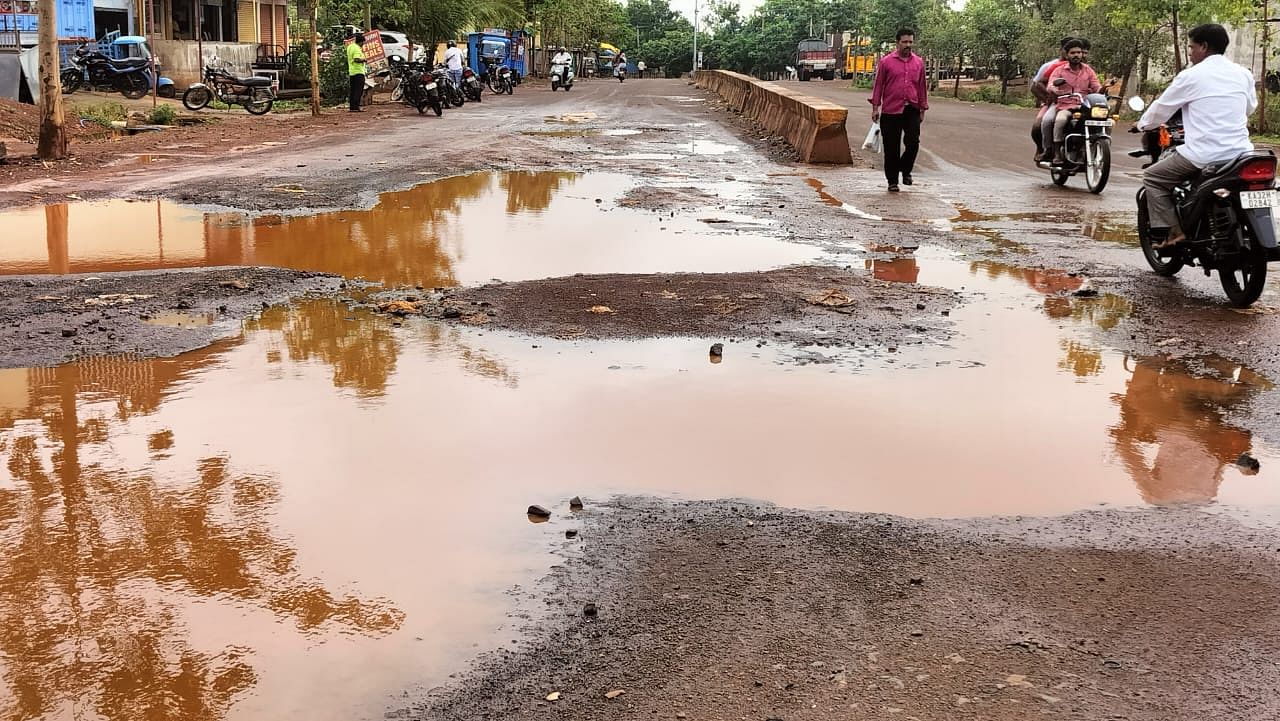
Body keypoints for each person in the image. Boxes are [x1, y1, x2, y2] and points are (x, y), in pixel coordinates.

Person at [1137, 23, 1256, 248]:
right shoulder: (1243, 74)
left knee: (1153, 177)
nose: (1190, 53)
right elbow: (1249, 108)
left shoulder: (1191, 76)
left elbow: (1162, 108)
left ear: (1204, 46)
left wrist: (1143, 124)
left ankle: (1173, 234)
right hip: (1241, 153)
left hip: (1204, 154)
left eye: (1191, 48)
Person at [869, 28, 928, 192]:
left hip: (912, 109)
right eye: (905, 42)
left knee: (913, 143)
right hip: (890, 110)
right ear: (897, 43)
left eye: (910, 42)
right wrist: (875, 107)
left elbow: (922, 86)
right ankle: (892, 181)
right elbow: (879, 85)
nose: (908, 45)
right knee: (891, 147)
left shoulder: (918, 63)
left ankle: (906, 170)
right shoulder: (886, 62)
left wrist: (923, 108)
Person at [1045, 39, 1101, 165]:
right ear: (1067, 54)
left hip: (1084, 106)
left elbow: (1096, 87)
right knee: (1060, 121)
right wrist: (1054, 89)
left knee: (1100, 121)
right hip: (1065, 105)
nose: (1076, 55)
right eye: (1073, 52)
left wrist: (1105, 88)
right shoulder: (1059, 70)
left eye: (1079, 52)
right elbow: (1050, 84)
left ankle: (1086, 149)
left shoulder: (1088, 70)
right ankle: (1057, 152)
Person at [1029, 37, 1075, 161]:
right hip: (1053, 101)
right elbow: (1036, 85)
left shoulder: (1085, 68)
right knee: (1039, 125)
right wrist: (1048, 99)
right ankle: (1043, 148)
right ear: (1062, 50)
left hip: (1076, 101)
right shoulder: (1052, 66)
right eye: (1069, 50)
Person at [345, 32, 366, 112]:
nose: (363, 44)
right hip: (358, 72)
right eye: (363, 42)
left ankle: (352, 107)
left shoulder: (350, 47)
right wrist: (364, 60)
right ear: (361, 42)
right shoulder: (357, 48)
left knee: (353, 90)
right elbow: (356, 59)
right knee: (358, 90)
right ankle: (356, 107)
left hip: (352, 71)